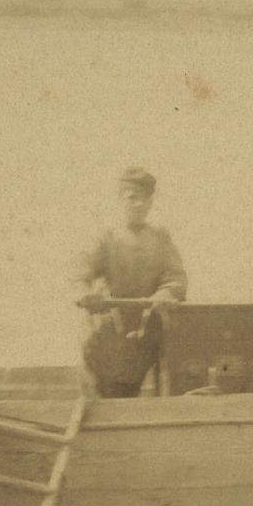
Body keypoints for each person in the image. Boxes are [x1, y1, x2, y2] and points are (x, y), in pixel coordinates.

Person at [70, 167, 188, 397]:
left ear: (151, 202)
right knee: (103, 397)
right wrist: (84, 293)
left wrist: (166, 293)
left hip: (144, 335)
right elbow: (79, 274)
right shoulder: (105, 237)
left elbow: (176, 277)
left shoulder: (160, 238)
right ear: (119, 199)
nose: (138, 204)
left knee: (139, 393)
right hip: (106, 337)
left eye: (144, 199)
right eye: (132, 198)